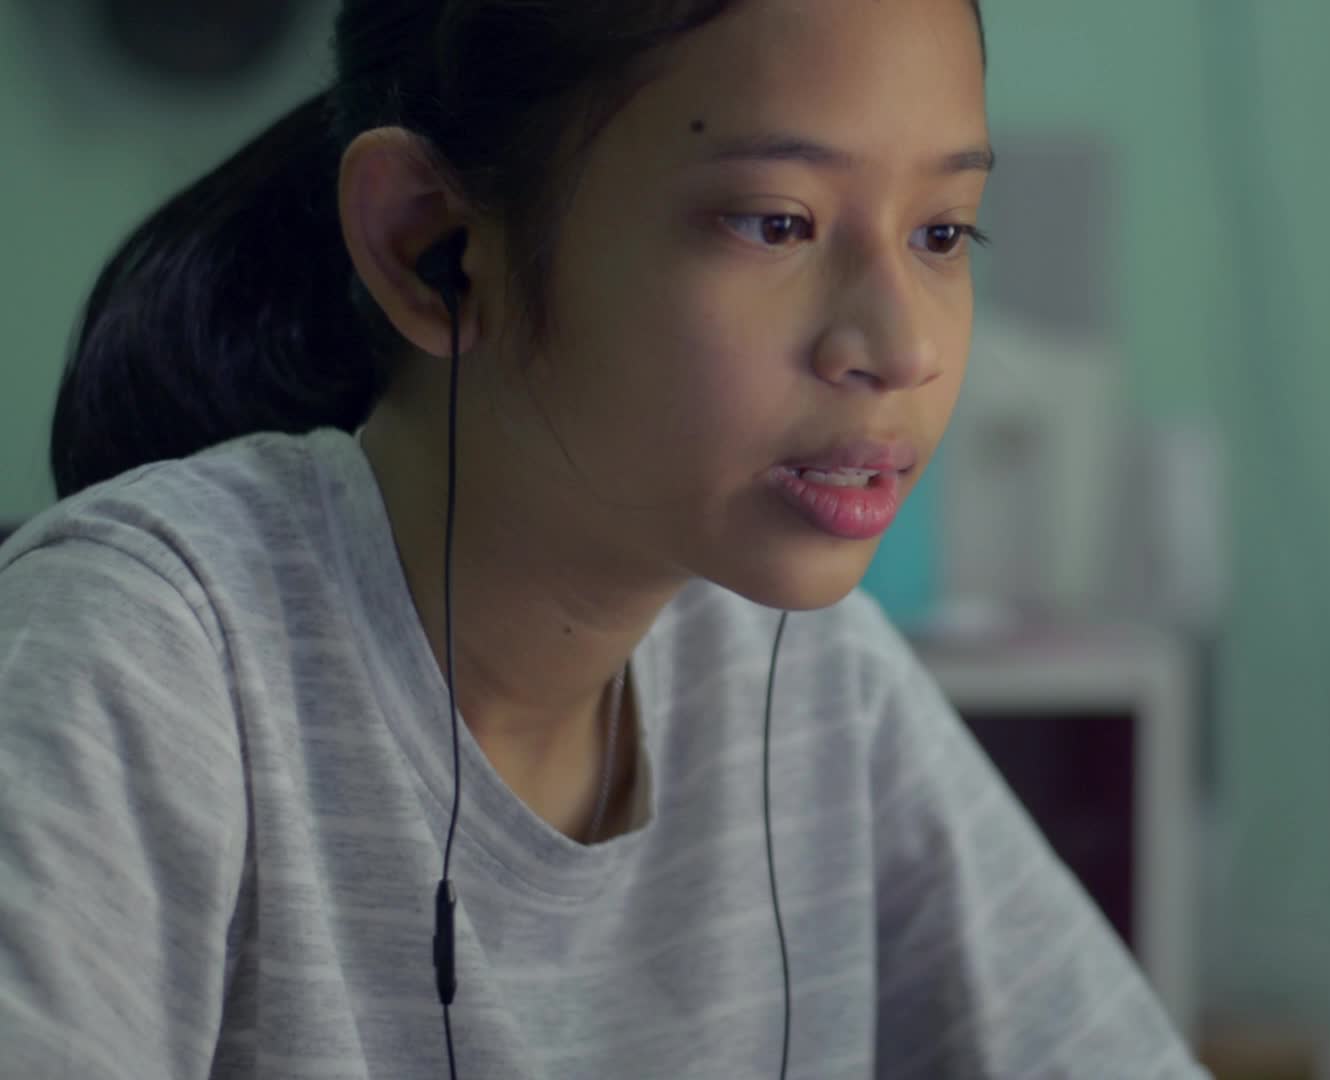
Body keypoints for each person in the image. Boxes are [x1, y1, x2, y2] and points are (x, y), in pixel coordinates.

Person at [0, 1, 1207, 1077]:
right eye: (776, 223)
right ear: (437, 251)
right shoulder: (142, 658)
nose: (903, 348)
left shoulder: (817, 681)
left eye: (943, 233)